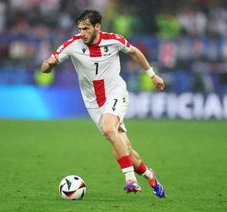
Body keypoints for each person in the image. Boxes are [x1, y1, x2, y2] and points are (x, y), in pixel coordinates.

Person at [41, 9, 165, 198]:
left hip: (116, 93)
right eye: (80, 28)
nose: (82, 33)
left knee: (109, 129)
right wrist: (49, 64)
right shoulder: (72, 45)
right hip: (93, 104)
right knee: (125, 148)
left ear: (97, 27)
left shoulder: (113, 40)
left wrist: (152, 74)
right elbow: (44, 68)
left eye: (86, 28)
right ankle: (150, 176)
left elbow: (134, 52)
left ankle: (130, 179)